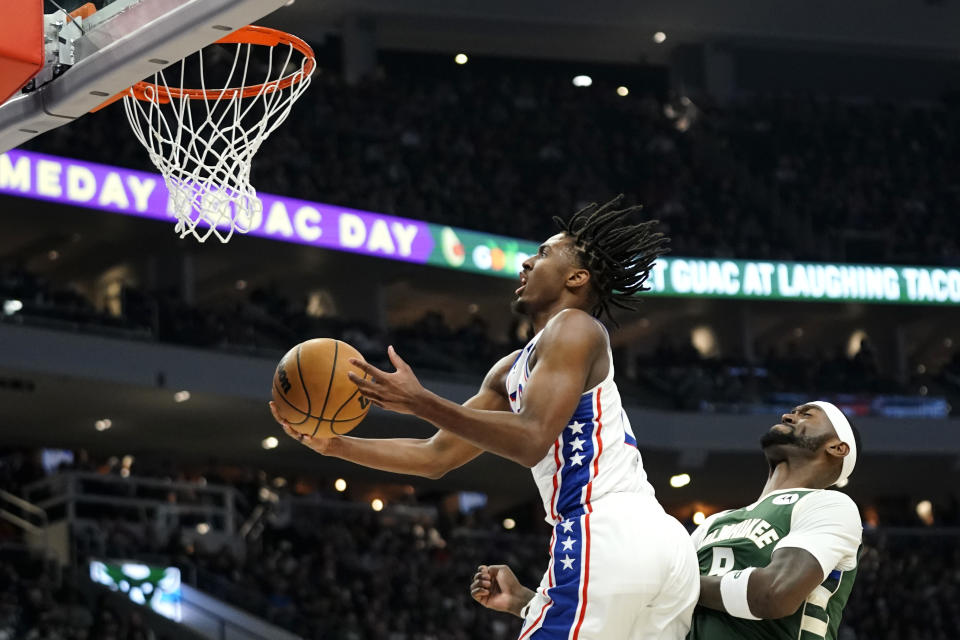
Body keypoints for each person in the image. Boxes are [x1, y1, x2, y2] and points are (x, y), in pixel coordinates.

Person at [271, 196, 700, 639]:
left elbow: (532, 436)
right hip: (659, 544)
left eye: (545, 253)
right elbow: (435, 455)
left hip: (603, 526)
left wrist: (420, 402)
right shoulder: (510, 371)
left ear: (577, 277)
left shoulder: (574, 326)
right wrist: (334, 445)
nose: (527, 263)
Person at [470, 401, 863, 640]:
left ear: (837, 447)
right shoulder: (714, 523)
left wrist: (676, 583)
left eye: (806, 414)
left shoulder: (829, 506)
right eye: (793, 410)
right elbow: (647, 606)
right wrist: (528, 602)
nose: (789, 414)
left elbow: (773, 594)